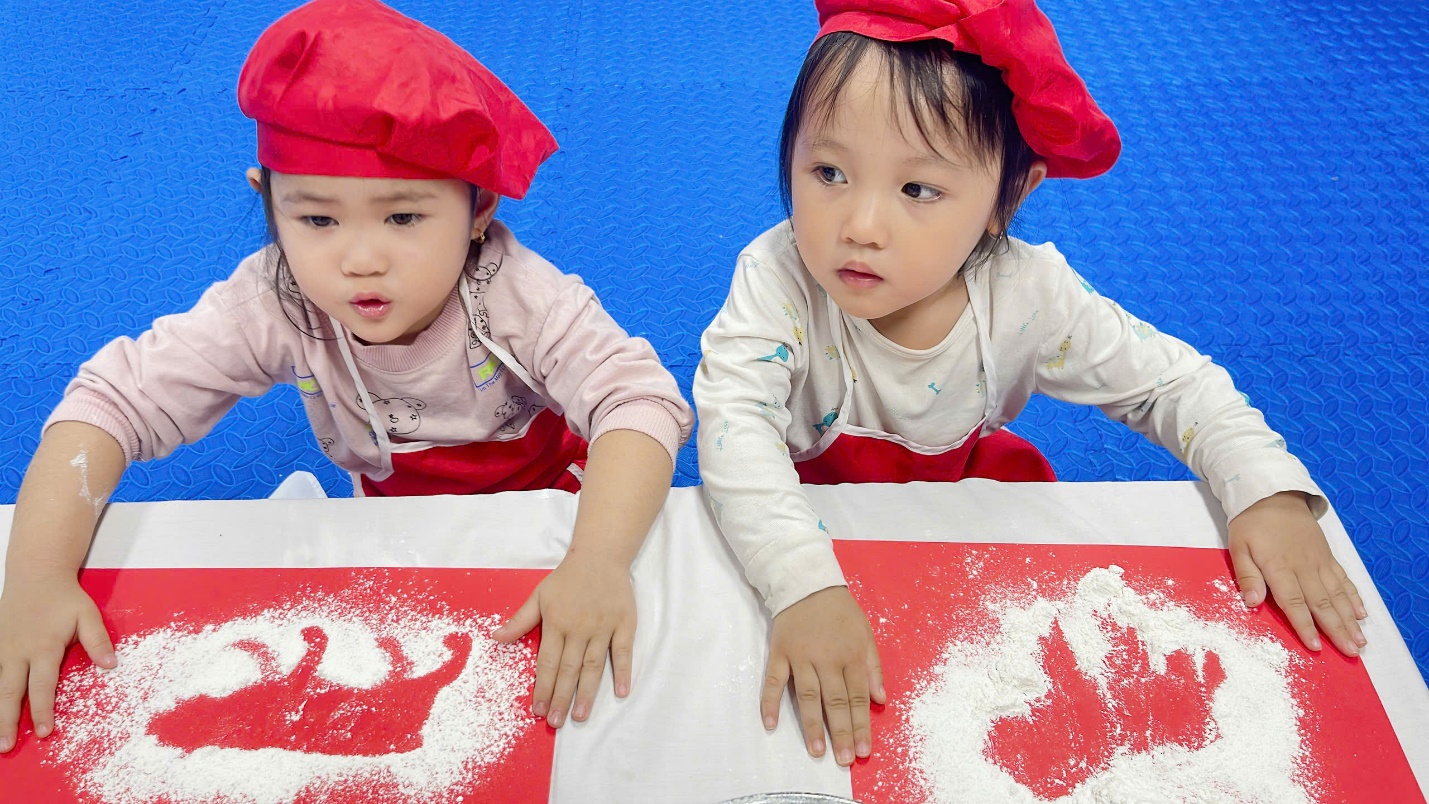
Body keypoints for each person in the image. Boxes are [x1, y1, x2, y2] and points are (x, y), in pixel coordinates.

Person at [0, 0, 693, 753]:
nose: (359, 260)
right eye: (317, 221)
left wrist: (595, 563)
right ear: (267, 198)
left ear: (478, 209)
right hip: (396, 528)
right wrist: (36, 577)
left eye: (402, 218)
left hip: (555, 521)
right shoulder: (275, 300)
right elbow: (108, 406)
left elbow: (640, 402)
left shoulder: (516, 296)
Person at [694, 0, 1366, 768]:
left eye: (918, 190)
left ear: (1006, 201)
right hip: (808, 505)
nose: (861, 225)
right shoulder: (776, 277)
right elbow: (733, 424)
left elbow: (1172, 385)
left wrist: (1265, 492)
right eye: (828, 172)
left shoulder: (1028, 297)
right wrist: (801, 585)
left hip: (966, 502)